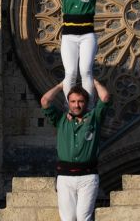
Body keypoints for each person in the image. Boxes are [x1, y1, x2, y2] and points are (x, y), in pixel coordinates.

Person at [41, 79, 111, 221]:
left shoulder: (94, 118)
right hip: (65, 178)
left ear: (86, 102)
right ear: (68, 103)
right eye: (72, 101)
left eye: (80, 101)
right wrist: (61, 85)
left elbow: (105, 98)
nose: (76, 105)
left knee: (83, 217)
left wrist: (93, 81)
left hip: (88, 177)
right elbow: (45, 101)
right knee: (68, 218)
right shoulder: (61, 119)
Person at [56, 0, 101, 105]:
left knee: (86, 71)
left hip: (87, 36)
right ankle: (71, 106)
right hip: (69, 37)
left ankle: (87, 106)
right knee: (70, 73)